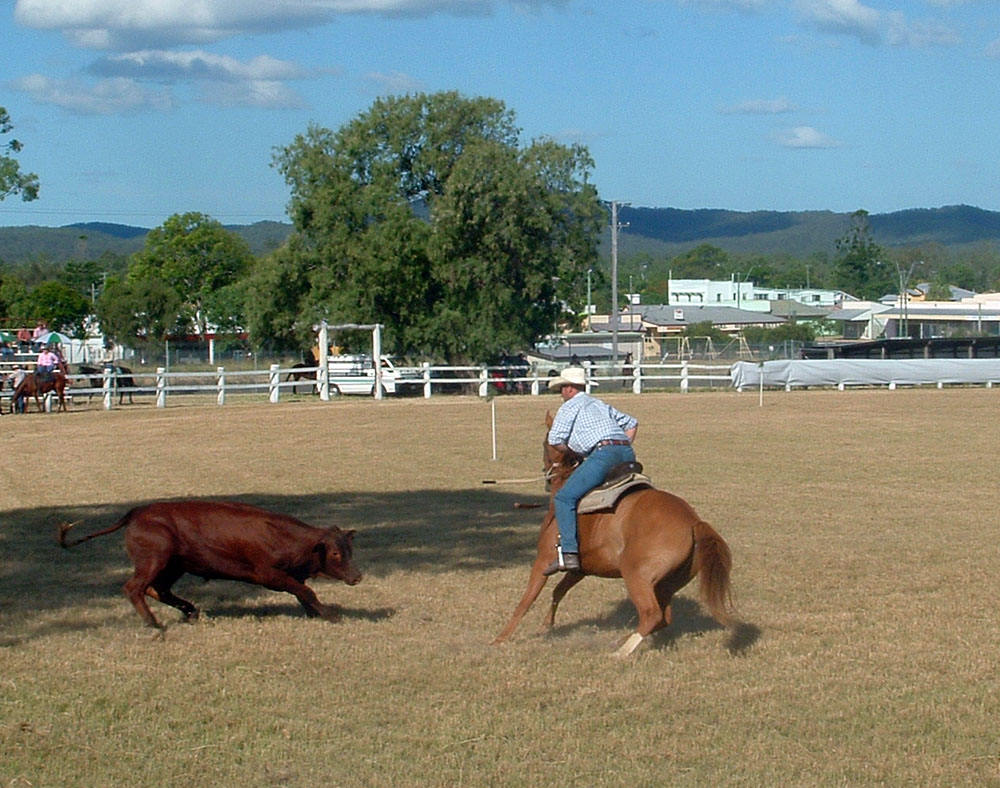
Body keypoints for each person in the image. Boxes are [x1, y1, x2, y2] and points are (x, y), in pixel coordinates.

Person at [544, 366, 638, 574]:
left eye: (561, 388)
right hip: (627, 453)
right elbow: (632, 423)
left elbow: (555, 439)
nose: (561, 393)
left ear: (569, 389)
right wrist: (621, 445)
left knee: (564, 498)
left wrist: (573, 452)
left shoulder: (569, 406)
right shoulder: (599, 404)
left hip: (603, 454)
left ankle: (568, 553)